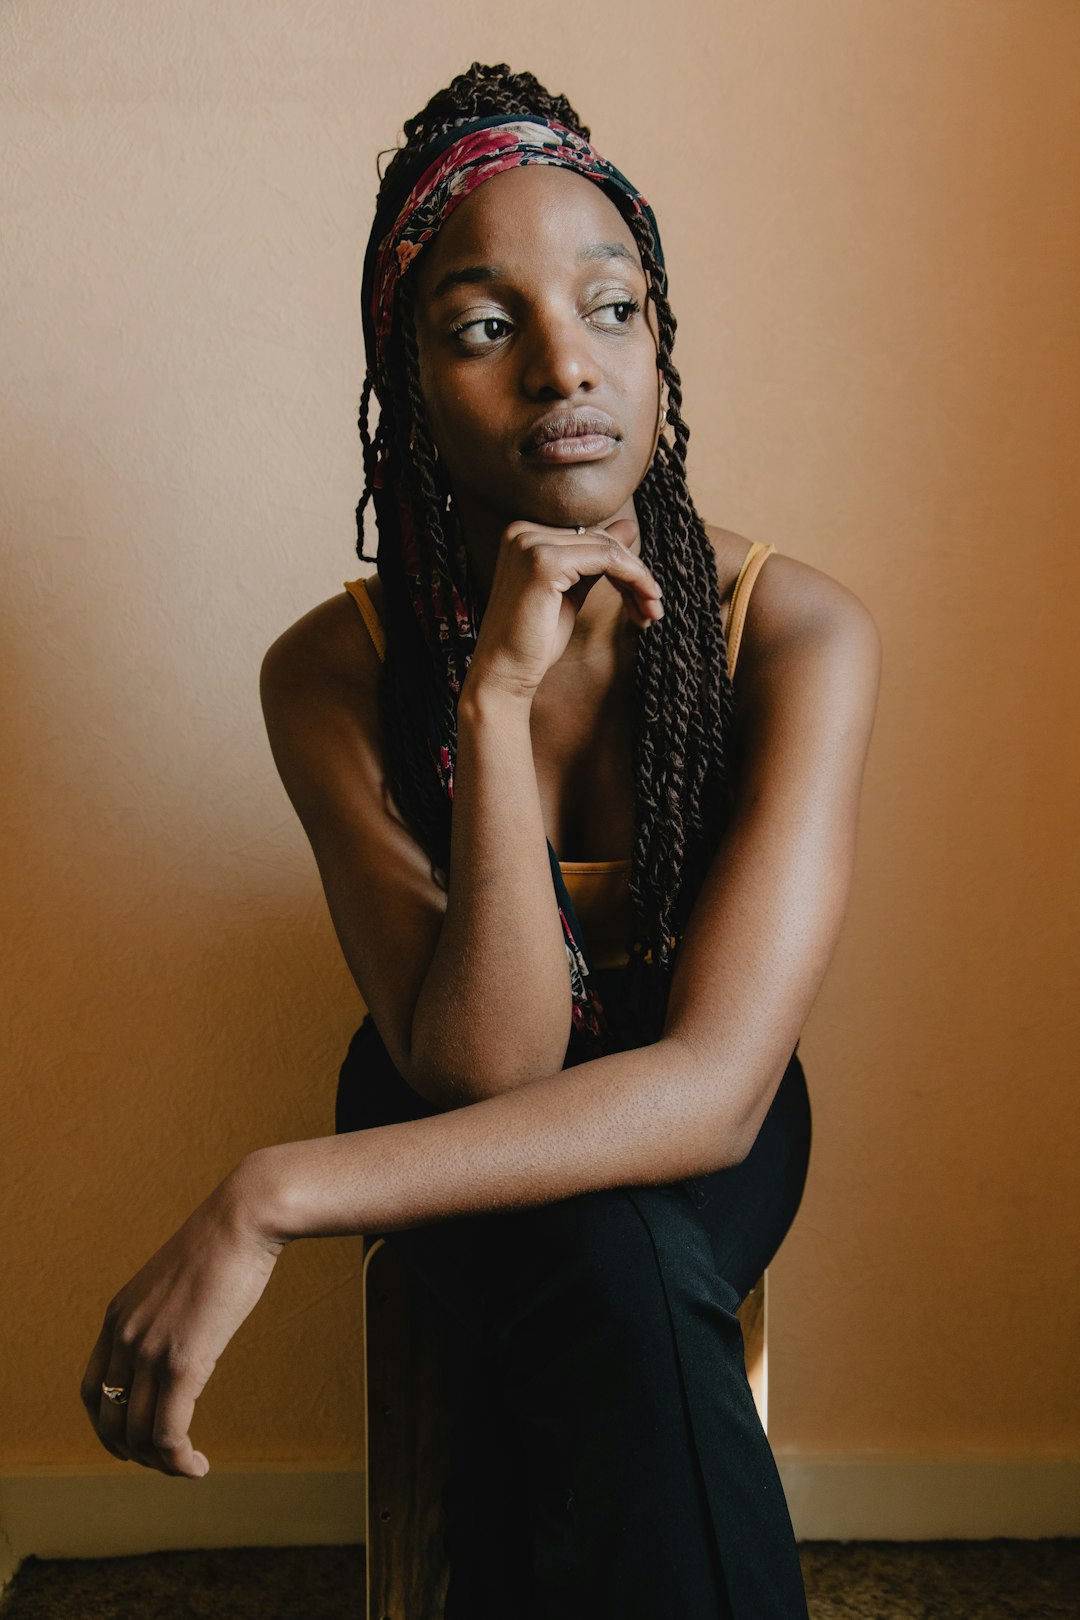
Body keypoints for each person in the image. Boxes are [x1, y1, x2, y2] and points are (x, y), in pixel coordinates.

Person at [81, 62, 881, 1618]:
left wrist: (274, 1193)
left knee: (618, 1265)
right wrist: (496, 705)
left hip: (688, 1095)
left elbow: (714, 1093)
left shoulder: (793, 631)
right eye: (483, 326)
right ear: (408, 380)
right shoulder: (329, 671)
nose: (566, 367)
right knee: (618, 1288)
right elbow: (484, 1067)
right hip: (434, 1073)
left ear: (661, 342)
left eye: (613, 306)